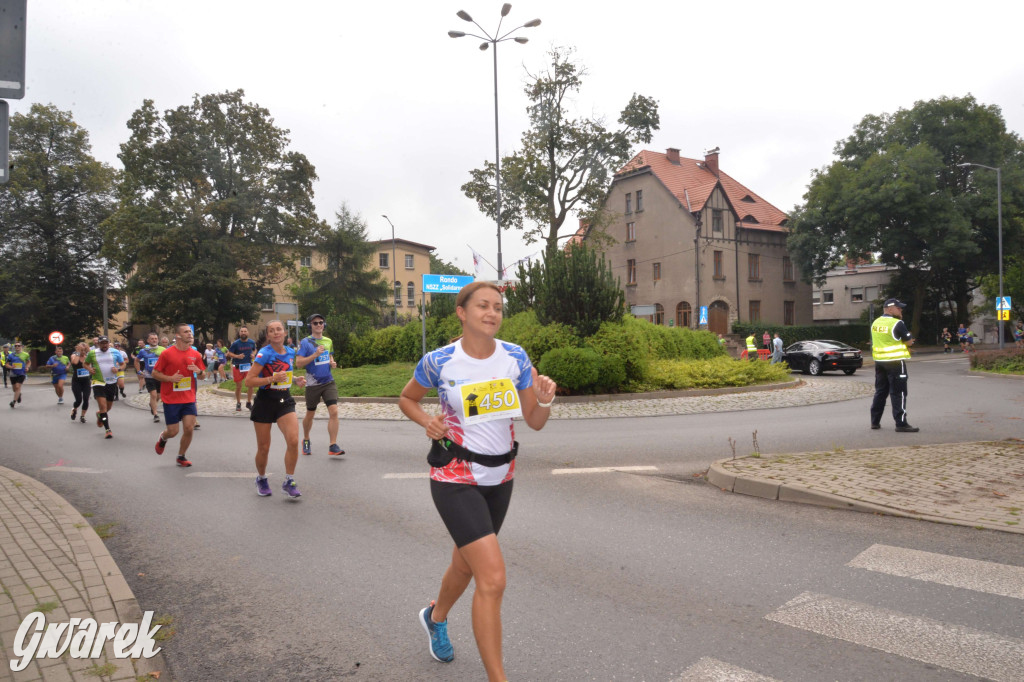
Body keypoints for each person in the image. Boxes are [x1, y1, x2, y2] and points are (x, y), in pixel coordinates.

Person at [398, 281, 557, 681]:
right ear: (461, 312)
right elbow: (407, 398)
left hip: (501, 476)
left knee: (466, 565)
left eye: (498, 308)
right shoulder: (439, 361)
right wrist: (427, 421)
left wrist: (545, 399)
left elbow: (534, 422)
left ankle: (435, 617)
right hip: (454, 475)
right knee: (493, 577)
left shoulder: (515, 358)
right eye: (483, 306)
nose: (492, 313)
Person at [245, 320, 307, 497]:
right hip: (265, 400)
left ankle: (289, 480)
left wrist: (295, 380)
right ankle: (262, 478)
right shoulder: (264, 354)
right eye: (272, 330)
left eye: (279, 329)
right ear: (268, 336)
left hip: (284, 399)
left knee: (294, 440)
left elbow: (284, 374)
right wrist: (271, 379)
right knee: (264, 447)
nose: (276, 332)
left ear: (285, 333)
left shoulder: (289, 351)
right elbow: (249, 380)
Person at [152, 323, 206, 468]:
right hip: (171, 398)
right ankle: (163, 438)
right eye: (186, 332)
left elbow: (203, 375)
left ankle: (181, 456)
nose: (190, 334)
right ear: (178, 335)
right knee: (173, 431)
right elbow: (154, 373)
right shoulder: (167, 354)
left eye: (190, 332)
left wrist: (199, 372)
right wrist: (170, 379)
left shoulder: (195, 354)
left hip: (188, 397)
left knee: (189, 428)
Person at [296, 313, 344, 457]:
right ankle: (306, 439)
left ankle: (333, 445)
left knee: (334, 411)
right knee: (310, 414)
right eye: (315, 323)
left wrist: (332, 362)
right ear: (310, 325)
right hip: (312, 384)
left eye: (320, 322)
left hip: (328, 382)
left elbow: (329, 355)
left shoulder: (328, 341)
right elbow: (298, 364)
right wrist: (314, 355)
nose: (318, 325)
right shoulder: (305, 342)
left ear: (324, 324)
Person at [870, 298, 918, 433]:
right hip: (896, 362)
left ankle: (875, 421)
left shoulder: (875, 323)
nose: (900, 310)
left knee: (880, 392)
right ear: (890, 309)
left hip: (880, 362)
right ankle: (901, 423)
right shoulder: (897, 323)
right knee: (899, 393)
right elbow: (909, 342)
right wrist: (908, 338)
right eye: (898, 308)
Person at [83, 336, 121, 438]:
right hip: (98, 382)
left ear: (109, 343)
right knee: (103, 407)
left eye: (106, 343)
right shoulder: (92, 353)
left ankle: (100, 415)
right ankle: (108, 430)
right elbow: (85, 364)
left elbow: (123, 364)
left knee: (108, 407)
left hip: (111, 382)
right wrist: (90, 369)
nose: (104, 345)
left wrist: (118, 369)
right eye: (102, 343)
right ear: (98, 344)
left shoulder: (116, 352)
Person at [134, 332, 165, 423]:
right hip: (149, 375)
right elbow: (136, 361)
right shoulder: (144, 351)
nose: (154, 340)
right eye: (152, 338)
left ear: (158, 340)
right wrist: (139, 371)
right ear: (148, 340)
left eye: (155, 338)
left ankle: (152, 405)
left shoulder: (163, 349)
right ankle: (155, 414)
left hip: (160, 376)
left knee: (158, 396)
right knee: (153, 394)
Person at [228, 326, 257, 412]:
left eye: (245, 331)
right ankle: (238, 402)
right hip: (238, 366)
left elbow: (255, 350)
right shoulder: (236, 343)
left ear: (248, 333)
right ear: (239, 333)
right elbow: (229, 353)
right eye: (242, 331)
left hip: (248, 366)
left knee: (250, 385)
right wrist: (237, 356)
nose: (243, 333)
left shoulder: (252, 342)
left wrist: (253, 354)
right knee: (239, 386)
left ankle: (248, 402)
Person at [68, 342, 92, 423]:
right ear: (78, 349)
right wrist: (78, 352)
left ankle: (82, 416)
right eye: (82, 350)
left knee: (86, 399)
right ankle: (74, 409)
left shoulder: (88, 357)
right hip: (76, 381)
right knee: (79, 400)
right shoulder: (74, 355)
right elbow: (74, 362)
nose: (83, 352)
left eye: (85, 350)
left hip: (86, 381)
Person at [5, 342, 31, 408]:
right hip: (13, 373)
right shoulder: (11, 355)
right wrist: (11, 367)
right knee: (14, 389)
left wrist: (27, 367)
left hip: (22, 373)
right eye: (15, 346)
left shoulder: (26, 354)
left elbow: (29, 362)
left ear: (21, 346)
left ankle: (13, 402)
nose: (17, 347)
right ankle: (18, 394)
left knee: (17, 386)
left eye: (18, 346)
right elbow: (6, 364)